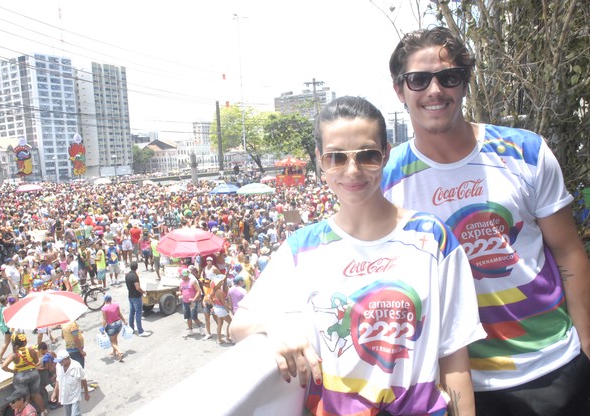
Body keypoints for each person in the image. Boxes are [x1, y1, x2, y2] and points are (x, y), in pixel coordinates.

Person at [381, 27, 590, 416]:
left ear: (465, 84)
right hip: (454, 380)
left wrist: (587, 347)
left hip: (552, 366)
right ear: (400, 90)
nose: (435, 90)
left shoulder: (525, 152)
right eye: (418, 79)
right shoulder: (384, 180)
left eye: (449, 77)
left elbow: (568, 252)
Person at [230, 96, 485, 415]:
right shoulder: (303, 246)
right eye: (337, 158)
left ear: (386, 155)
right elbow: (239, 323)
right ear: (321, 162)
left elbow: (454, 356)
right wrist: (277, 327)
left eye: (367, 156)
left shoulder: (433, 238)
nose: (352, 171)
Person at [1, 333, 47, 416]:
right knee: (36, 394)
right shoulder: (31, 350)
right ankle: (43, 411)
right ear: (24, 342)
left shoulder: (14, 355)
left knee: (24, 397)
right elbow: (37, 362)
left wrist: (12, 371)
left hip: (20, 377)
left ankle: (25, 413)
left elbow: (3, 366)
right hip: (33, 374)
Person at [51, 350, 90, 416]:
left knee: (75, 414)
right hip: (65, 396)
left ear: (66, 359)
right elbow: (58, 379)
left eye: (61, 361)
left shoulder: (76, 366)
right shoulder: (58, 366)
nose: (59, 363)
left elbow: (83, 379)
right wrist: (54, 392)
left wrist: (86, 393)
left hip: (74, 395)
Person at [125, 262, 149, 337]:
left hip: (130, 296)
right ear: (137, 267)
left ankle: (131, 328)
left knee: (131, 313)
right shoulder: (135, 276)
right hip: (136, 297)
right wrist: (143, 292)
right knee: (138, 314)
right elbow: (138, 288)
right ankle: (140, 331)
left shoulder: (127, 275)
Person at [101, 294, 127, 361]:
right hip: (119, 324)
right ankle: (114, 352)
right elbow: (119, 314)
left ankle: (119, 351)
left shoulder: (104, 308)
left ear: (105, 300)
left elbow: (104, 320)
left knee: (112, 341)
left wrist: (102, 328)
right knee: (115, 339)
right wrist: (124, 321)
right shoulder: (116, 305)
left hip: (111, 326)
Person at [179, 269, 204, 338]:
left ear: (186, 276)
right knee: (187, 316)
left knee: (193, 316)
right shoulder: (181, 282)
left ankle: (200, 328)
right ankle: (190, 330)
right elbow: (180, 291)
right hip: (185, 302)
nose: (181, 277)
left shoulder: (192, 282)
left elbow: (198, 291)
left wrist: (194, 299)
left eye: (182, 276)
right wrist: (179, 293)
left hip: (192, 302)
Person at [0, 295, 12, 363]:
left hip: (1, 327)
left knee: (10, 340)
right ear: (5, 301)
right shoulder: (6, 309)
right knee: (6, 342)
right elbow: (6, 319)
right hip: (6, 327)